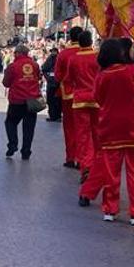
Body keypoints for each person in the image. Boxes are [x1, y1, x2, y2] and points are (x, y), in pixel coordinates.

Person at [77, 39, 134, 222]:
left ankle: (110, 208)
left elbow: (97, 97)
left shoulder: (103, 75)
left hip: (110, 128)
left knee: (110, 171)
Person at [66, 29, 100, 177]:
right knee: (96, 133)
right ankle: (97, 163)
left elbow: (68, 78)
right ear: (91, 42)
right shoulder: (97, 57)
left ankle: (85, 164)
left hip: (79, 100)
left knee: (82, 134)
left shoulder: (74, 59)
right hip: (96, 99)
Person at [2, 43, 42, 160]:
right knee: (29, 127)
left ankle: (13, 144)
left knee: (10, 122)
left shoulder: (12, 66)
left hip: (17, 100)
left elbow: (6, 83)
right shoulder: (35, 65)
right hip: (32, 100)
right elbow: (38, 78)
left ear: (18, 53)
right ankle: (26, 151)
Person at [53, 27, 82, 168]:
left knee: (69, 127)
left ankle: (70, 156)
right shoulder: (91, 53)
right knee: (83, 128)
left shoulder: (64, 54)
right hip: (86, 95)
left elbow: (58, 76)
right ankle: (82, 158)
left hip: (68, 94)